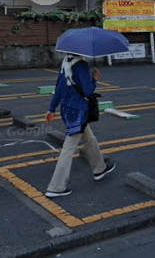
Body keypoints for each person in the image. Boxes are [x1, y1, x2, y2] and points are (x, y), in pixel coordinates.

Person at [44, 54, 115, 198]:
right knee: (69, 147)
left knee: (88, 138)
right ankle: (56, 187)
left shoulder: (66, 62)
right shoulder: (81, 65)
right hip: (78, 111)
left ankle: (99, 169)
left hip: (66, 109)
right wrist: (94, 79)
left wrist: (52, 108)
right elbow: (88, 91)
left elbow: (58, 87)